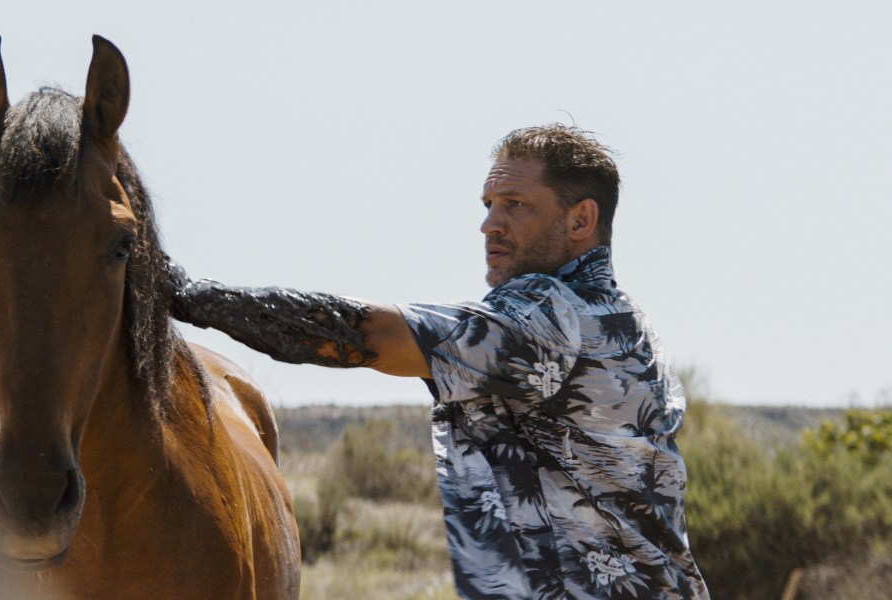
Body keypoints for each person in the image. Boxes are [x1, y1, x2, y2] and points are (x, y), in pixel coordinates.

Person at [167, 124, 710, 599]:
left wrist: (193, 298)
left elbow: (371, 336)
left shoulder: (553, 315)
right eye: (488, 205)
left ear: (580, 220)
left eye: (515, 205)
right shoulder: (617, 317)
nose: (490, 225)